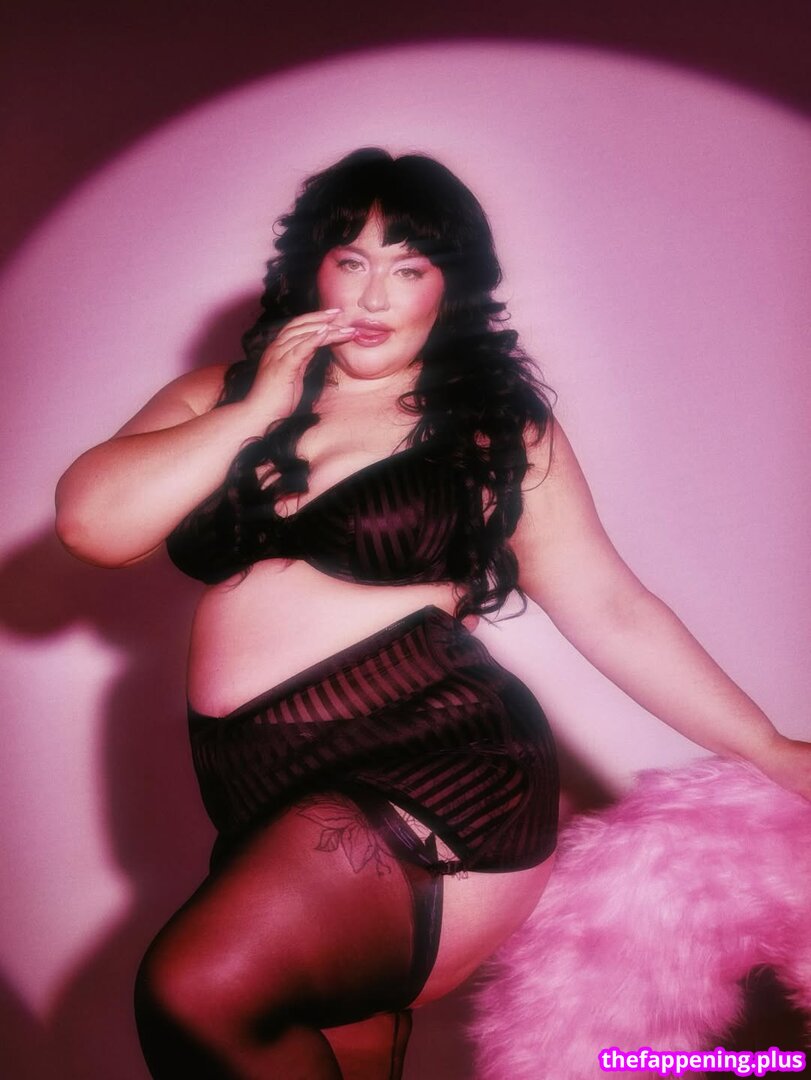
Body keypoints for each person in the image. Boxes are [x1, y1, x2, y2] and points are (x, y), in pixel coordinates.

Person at [54, 148, 811, 1080]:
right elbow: (95, 525)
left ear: (448, 288)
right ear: (313, 270)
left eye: (408, 268)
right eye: (353, 261)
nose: (374, 295)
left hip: (434, 771)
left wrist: (767, 748)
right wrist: (255, 412)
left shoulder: (490, 430)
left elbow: (611, 607)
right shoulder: (219, 396)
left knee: (199, 989)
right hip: (257, 791)